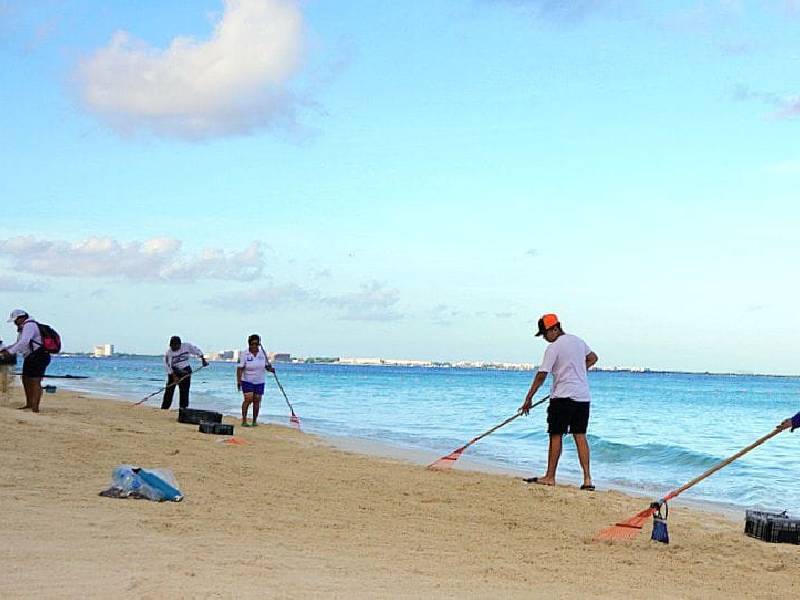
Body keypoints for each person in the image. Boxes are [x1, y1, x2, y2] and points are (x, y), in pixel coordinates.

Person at [520, 313, 598, 490]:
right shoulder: (578, 341)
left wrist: (529, 398)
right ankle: (587, 480)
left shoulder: (554, 348)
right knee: (580, 435)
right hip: (582, 397)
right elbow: (593, 358)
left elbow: (541, 375)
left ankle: (550, 476)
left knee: (556, 435)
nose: (545, 338)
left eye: (545, 334)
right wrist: (578, 371)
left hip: (562, 398)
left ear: (555, 329)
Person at [0, 309, 51, 412]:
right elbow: (19, 343)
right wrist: (7, 349)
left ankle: (35, 407)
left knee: (35, 381)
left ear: (22, 318)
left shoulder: (29, 325)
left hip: (38, 355)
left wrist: (10, 352)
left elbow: (24, 342)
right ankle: (29, 403)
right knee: (26, 379)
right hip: (30, 356)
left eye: (15, 320)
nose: (14, 323)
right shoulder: (24, 327)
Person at [236, 333, 275, 427]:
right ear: (249, 344)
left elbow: (266, 366)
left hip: (260, 381)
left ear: (259, 344)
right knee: (248, 399)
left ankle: (254, 421)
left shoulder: (263, 354)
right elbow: (240, 368)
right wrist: (238, 381)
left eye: (256, 344)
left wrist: (271, 369)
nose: (254, 346)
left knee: (257, 400)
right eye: (252, 344)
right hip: (247, 380)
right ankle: (244, 420)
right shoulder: (244, 354)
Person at [161, 336, 207, 410]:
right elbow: (168, 366)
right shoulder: (168, 353)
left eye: (176, 346)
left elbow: (197, 351)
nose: (174, 348)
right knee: (169, 390)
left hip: (186, 370)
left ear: (179, 344)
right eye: (172, 347)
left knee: (184, 391)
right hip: (174, 371)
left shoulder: (187, 346)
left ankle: (183, 408)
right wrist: (174, 376)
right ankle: (164, 408)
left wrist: (203, 360)